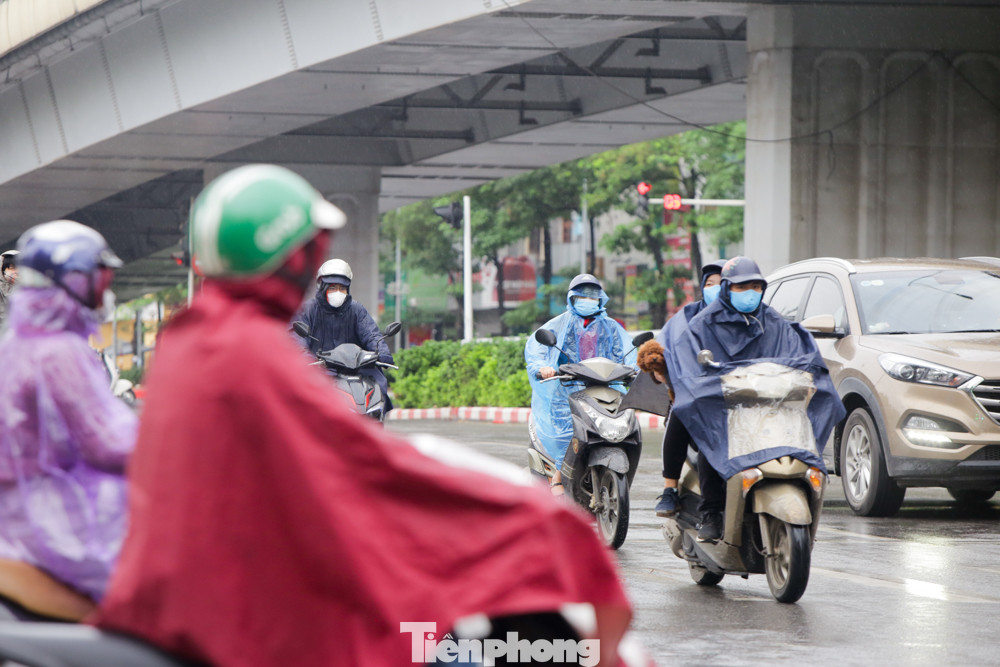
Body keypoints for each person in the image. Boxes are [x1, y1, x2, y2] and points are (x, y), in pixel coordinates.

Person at [93, 165, 633, 667]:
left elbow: (338, 445)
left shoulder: (195, 339)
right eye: (312, 250)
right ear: (291, 258)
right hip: (253, 608)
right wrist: (529, 514)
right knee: (452, 641)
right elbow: (364, 469)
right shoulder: (249, 355)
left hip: (222, 581)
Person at [662, 256, 845, 543]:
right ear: (727, 289)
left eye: (756, 286)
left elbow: (798, 355)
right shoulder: (700, 325)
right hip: (726, 408)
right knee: (714, 437)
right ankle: (711, 512)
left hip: (770, 406)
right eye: (742, 287)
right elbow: (689, 364)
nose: (750, 293)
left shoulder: (775, 322)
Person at [0, 221, 136, 602]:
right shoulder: (59, 351)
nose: (106, 292)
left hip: (19, 515)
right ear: (73, 281)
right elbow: (109, 444)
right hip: (55, 522)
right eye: (100, 280)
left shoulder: (18, 342)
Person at [525, 274, 637, 495]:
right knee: (568, 430)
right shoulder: (558, 325)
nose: (588, 299)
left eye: (592, 295)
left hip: (605, 387)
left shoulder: (611, 327)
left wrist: (636, 368)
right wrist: (542, 367)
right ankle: (558, 476)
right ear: (571, 298)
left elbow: (626, 353)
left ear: (600, 299)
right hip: (566, 390)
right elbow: (537, 351)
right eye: (582, 295)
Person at [651, 261, 724, 518]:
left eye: (722, 283)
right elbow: (664, 348)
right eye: (710, 284)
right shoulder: (686, 318)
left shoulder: (753, 319)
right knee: (682, 410)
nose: (716, 289)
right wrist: (661, 367)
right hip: (698, 396)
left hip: (740, 396)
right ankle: (669, 489)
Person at [292, 258, 394, 412]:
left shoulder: (356, 310)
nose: (338, 292)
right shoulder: (307, 310)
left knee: (378, 382)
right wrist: (304, 357)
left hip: (355, 370)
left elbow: (371, 334)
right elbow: (295, 338)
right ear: (322, 288)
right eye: (332, 287)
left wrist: (382, 353)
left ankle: (375, 419)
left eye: (342, 288)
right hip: (318, 370)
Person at [0, 249, 19, 327]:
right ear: (2, 269)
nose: (16, 271)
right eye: (11, 267)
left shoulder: (29, 288)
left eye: (18, 267)